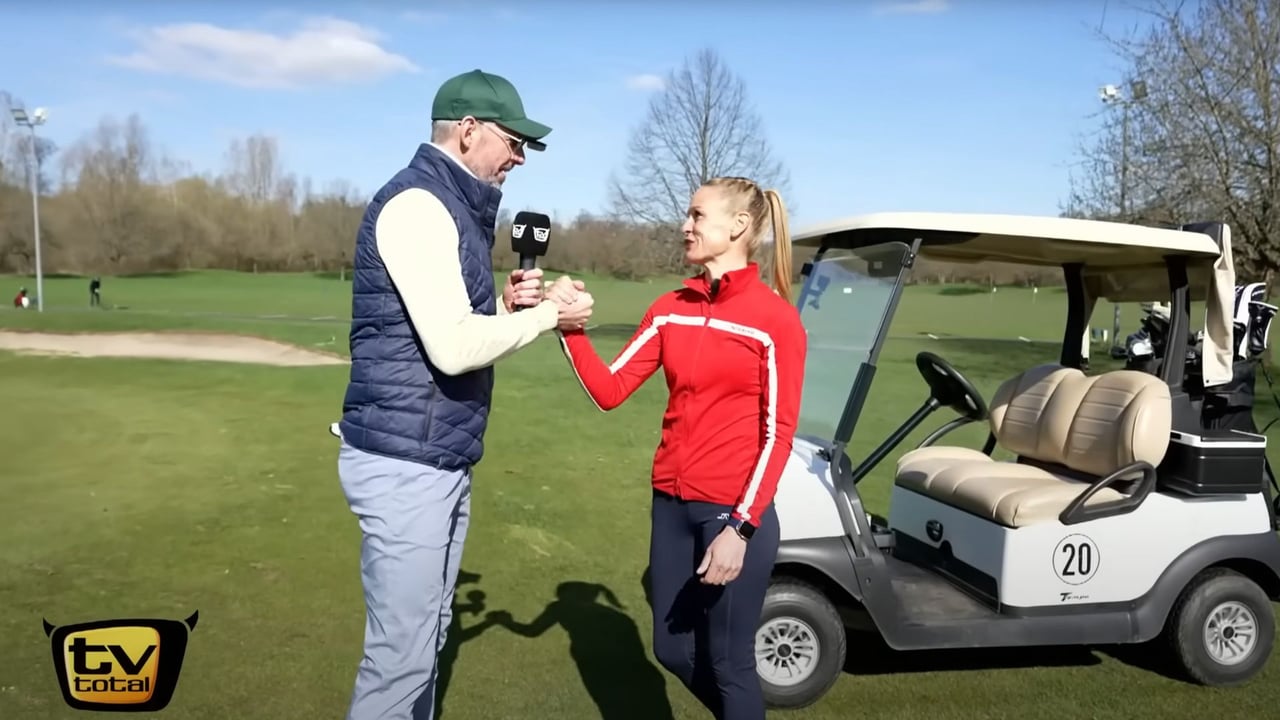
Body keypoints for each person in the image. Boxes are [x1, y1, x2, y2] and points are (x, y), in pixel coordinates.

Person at [332, 68, 594, 720]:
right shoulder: (419, 206)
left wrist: (509, 306)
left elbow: (447, 331)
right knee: (400, 662)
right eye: (513, 140)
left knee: (425, 644)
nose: (519, 157)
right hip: (404, 463)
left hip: (434, 456)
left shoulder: (452, 208)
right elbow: (450, 349)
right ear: (468, 130)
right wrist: (546, 319)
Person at [550, 176, 807, 719]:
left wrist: (740, 528)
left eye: (696, 215)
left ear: (738, 226)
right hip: (669, 506)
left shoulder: (775, 320)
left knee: (728, 663)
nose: (684, 225)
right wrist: (568, 328)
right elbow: (610, 389)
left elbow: (777, 434)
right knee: (672, 649)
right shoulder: (670, 308)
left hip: (732, 516)